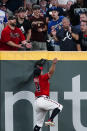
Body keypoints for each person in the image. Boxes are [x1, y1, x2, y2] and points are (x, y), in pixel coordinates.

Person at [33, 58, 63, 131]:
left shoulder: (35, 78)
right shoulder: (42, 78)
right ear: (40, 73)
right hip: (42, 100)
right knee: (59, 106)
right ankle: (50, 120)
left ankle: (48, 122)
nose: (42, 71)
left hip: (37, 102)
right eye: (41, 71)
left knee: (38, 125)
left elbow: (37, 71)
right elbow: (51, 72)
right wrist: (54, 64)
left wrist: (39, 66)